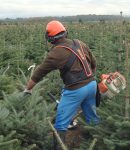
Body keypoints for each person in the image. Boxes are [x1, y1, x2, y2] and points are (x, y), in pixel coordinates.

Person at [24, 20, 100, 149]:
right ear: (65, 32)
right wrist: (89, 80)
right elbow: (93, 62)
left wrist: (28, 89)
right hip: (92, 85)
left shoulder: (56, 53)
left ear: (50, 38)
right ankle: (98, 142)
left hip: (75, 91)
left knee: (61, 123)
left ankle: (59, 147)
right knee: (92, 118)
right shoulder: (79, 43)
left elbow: (38, 73)